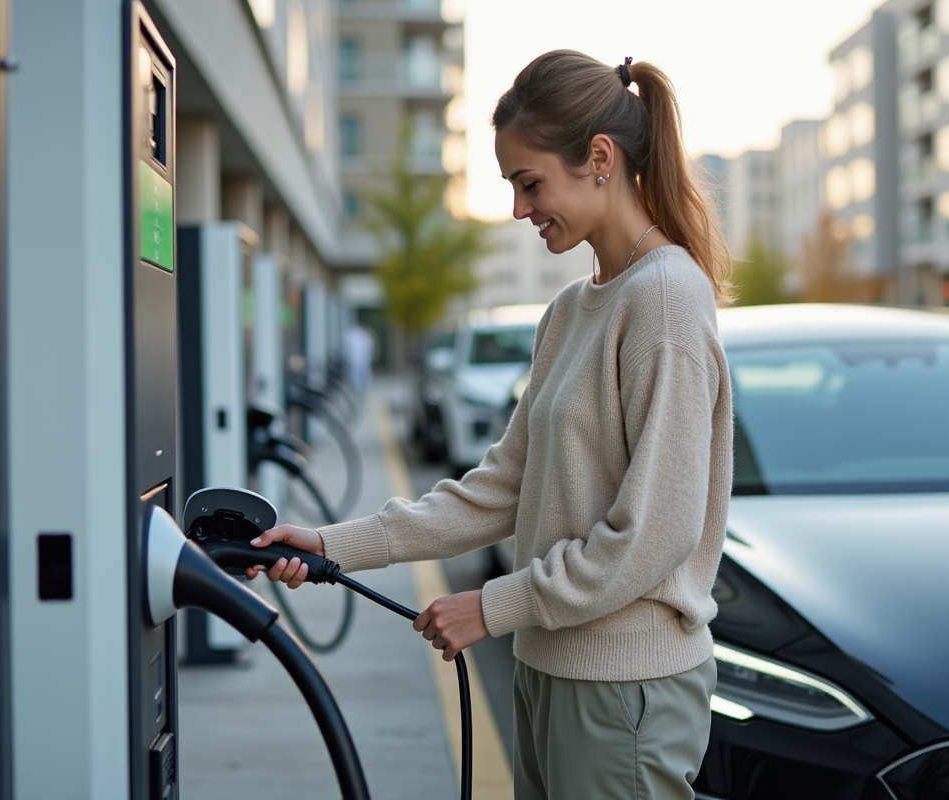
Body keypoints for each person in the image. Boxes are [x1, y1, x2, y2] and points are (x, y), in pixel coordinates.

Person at [248, 50, 734, 800]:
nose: (517, 209)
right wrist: (327, 544)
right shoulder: (572, 310)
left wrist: (493, 606)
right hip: (552, 672)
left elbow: (658, 529)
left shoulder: (665, 298)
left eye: (528, 182)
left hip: (624, 688)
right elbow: (501, 489)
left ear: (599, 159)